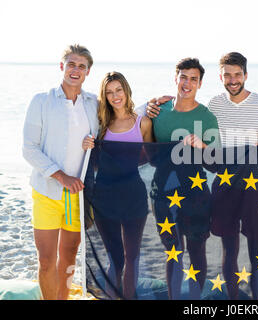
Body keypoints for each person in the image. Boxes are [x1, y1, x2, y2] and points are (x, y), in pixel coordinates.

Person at [146, 52, 258, 300]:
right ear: (220, 77)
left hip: (254, 187)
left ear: (246, 75)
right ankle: (230, 299)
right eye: (227, 75)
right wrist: (146, 104)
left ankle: (255, 303)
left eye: (238, 74)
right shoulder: (213, 106)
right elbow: (142, 122)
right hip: (219, 188)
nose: (233, 79)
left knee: (257, 253)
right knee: (227, 252)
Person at [22, 44, 98, 300]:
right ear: (62, 66)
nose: (75, 70)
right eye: (71, 64)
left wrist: (154, 104)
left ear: (88, 72)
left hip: (78, 198)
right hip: (47, 193)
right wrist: (61, 176)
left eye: (81, 66)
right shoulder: (41, 101)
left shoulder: (93, 104)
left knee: (68, 258)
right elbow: (29, 149)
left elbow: (123, 114)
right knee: (45, 260)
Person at [140, 57, 219, 299]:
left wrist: (203, 146)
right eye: (183, 77)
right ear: (176, 79)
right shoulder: (157, 111)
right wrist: (145, 109)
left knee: (196, 252)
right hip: (163, 193)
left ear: (200, 83)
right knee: (173, 252)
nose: (187, 83)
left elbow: (216, 163)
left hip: (196, 195)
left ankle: (194, 302)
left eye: (193, 79)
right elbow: (148, 153)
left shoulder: (207, 117)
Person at [82, 71, 153, 299]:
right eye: (109, 92)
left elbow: (153, 157)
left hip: (133, 196)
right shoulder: (99, 124)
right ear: (105, 96)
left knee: (132, 257)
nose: (115, 96)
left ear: (126, 90)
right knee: (115, 259)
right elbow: (89, 161)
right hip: (104, 198)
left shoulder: (143, 122)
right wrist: (85, 145)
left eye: (118, 90)